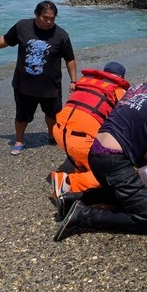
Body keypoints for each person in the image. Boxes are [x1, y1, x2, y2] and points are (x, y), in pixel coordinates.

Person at [53, 59, 147, 242]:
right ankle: (83, 216)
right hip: (113, 159)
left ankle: (71, 200)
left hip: (95, 153)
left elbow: (131, 119)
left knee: (125, 193)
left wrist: (146, 147)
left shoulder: (138, 88)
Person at [0, 1, 77, 154]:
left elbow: (70, 58)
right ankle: (19, 140)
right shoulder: (22, 27)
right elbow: (6, 40)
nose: (49, 21)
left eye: (52, 18)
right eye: (45, 17)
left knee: (52, 115)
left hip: (50, 86)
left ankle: (51, 134)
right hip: (24, 84)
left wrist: (73, 80)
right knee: (22, 115)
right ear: (37, 15)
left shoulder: (61, 35)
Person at [50, 61, 130, 196]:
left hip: (58, 131)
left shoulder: (85, 83)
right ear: (121, 78)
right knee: (113, 174)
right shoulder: (118, 91)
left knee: (85, 135)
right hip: (81, 141)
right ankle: (67, 182)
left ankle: (81, 167)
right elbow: (127, 122)